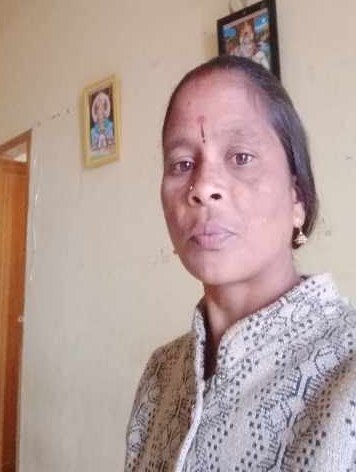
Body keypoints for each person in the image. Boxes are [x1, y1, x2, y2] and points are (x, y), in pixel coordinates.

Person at [124, 55, 356, 472]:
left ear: (298, 197)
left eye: (241, 157)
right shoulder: (161, 374)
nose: (202, 187)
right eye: (182, 164)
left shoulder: (347, 367)